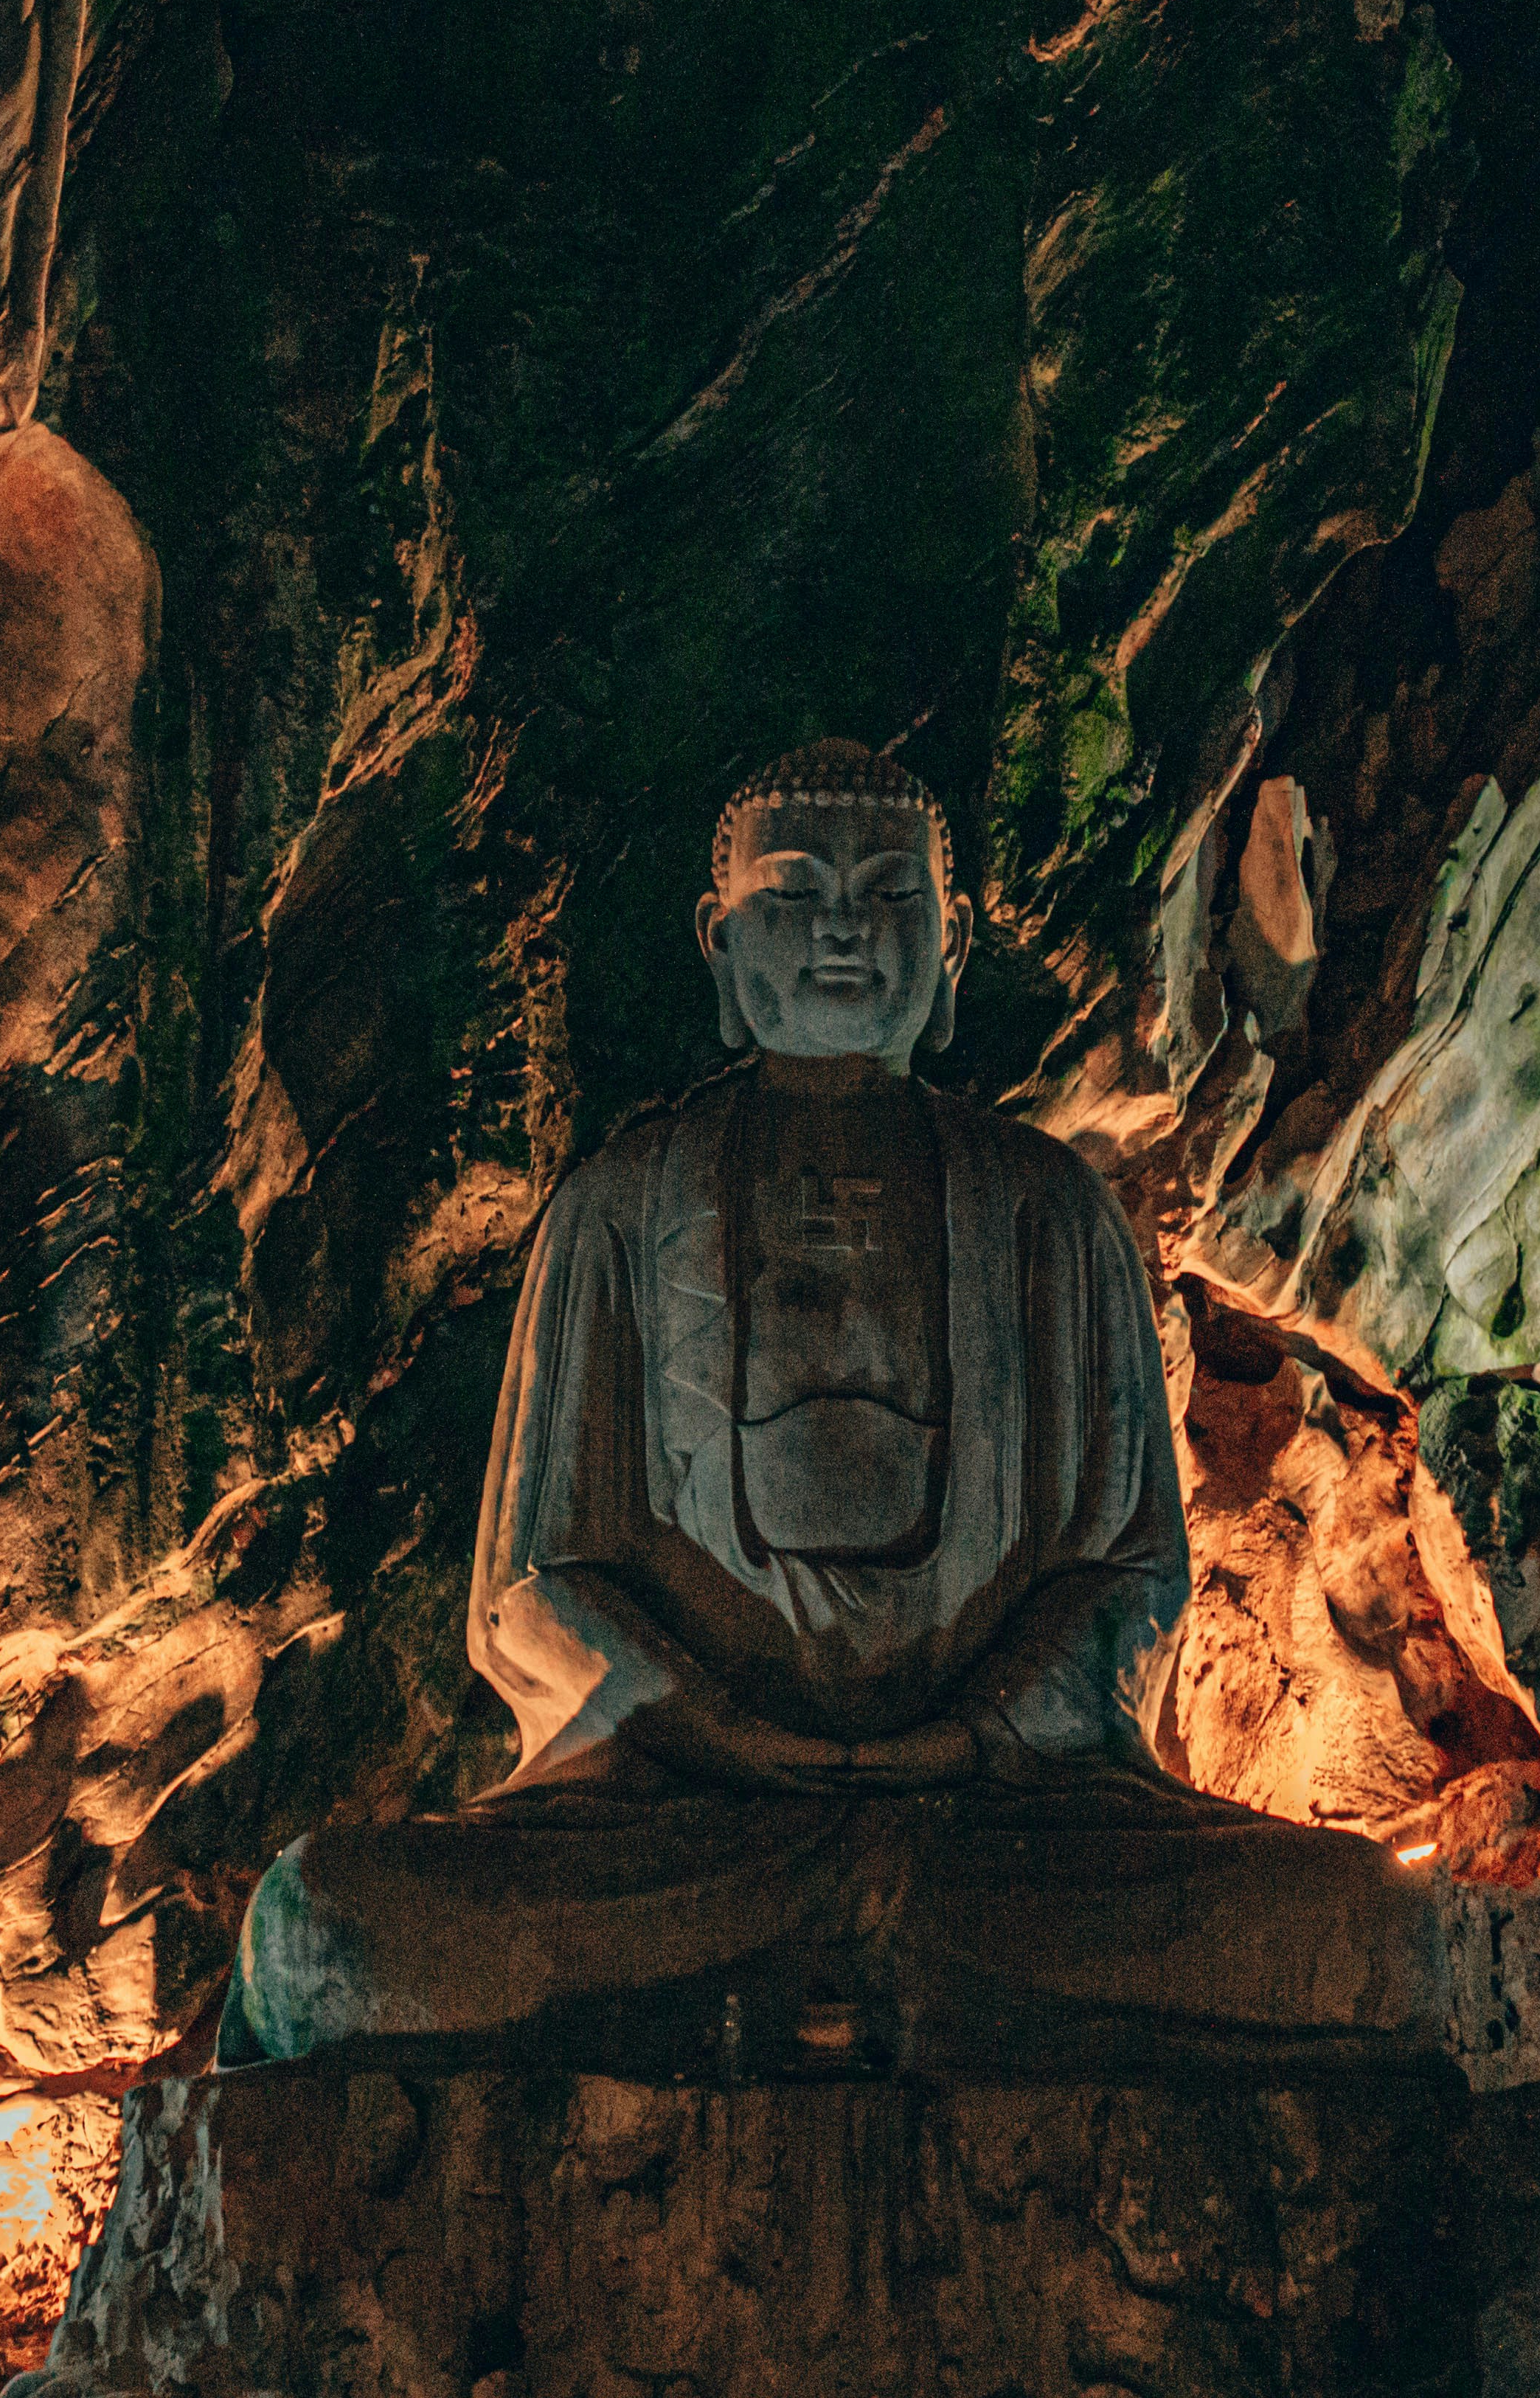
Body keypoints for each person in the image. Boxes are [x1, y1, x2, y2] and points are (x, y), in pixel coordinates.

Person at [227, 741, 1434, 2076]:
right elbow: (529, 1590)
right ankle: (918, 2015)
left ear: (955, 944)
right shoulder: (618, 1207)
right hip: (680, 1832)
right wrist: (719, 1735)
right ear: (720, 945)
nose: (846, 930)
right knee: (326, 1929)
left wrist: (967, 1739)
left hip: (1000, 1830)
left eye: (889, 898)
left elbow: (1132, 1578)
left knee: (1370, 1925)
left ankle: (739, 2024)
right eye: (794, 899)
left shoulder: (1051, 1211)